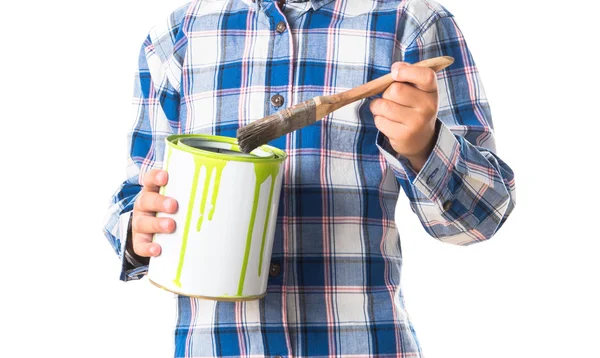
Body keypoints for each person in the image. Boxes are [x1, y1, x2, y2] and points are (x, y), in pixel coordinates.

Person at [103, 0, 516, 356]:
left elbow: (483, 217)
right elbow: (132, 199)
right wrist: (139, 231)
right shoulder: (178, 36)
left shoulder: (412, 22)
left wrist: (425, 146)